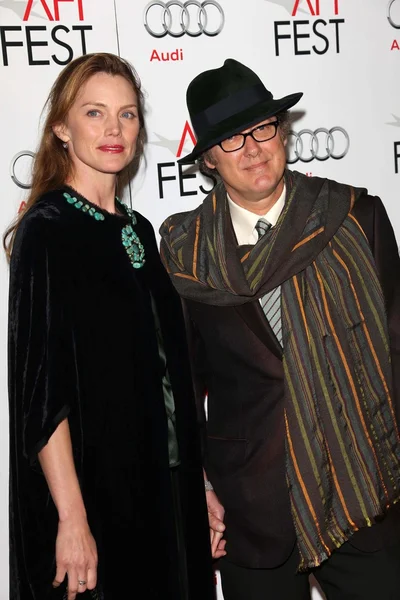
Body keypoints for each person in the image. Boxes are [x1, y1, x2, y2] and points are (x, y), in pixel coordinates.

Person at [159, 58, 400, 600]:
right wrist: (195, 483)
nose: (252, 148)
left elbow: (397, 345)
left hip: (363, 487)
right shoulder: (184, 250)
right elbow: (180, 381)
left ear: (281, 130)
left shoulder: (354, 216)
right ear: (208, 162)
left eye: (262, 128)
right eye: (230, 139)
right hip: (252, 506)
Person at [5, 52, 215, 600]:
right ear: (61, 128)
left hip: (166, 492)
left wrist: (201, 484)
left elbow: (170, 374)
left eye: (127, 114)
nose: (114, 129)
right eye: (94, 113)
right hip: (99, 500)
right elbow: (40, 395)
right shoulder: (46, 229)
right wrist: (72, 517)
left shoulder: (142, 231)